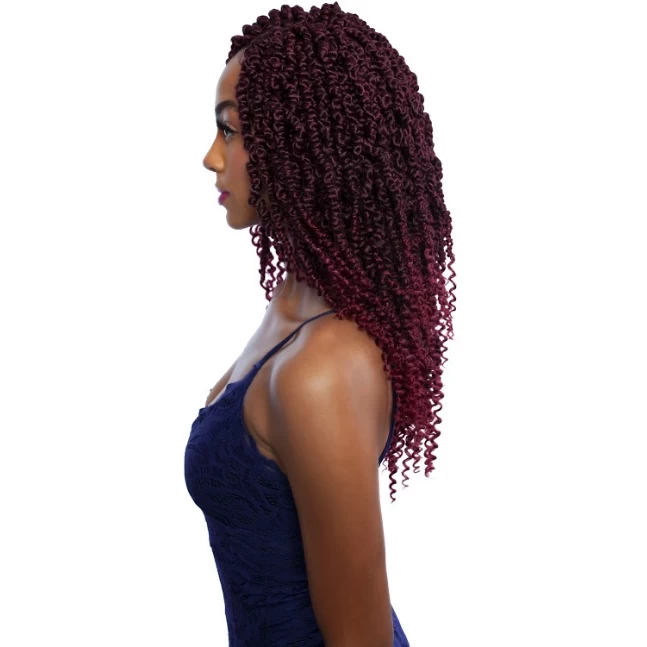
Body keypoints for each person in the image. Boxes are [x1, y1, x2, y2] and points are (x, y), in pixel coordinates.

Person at [184, 3, 456, 645]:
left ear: (302, 143)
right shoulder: (292, 308)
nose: (211, 158)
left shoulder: (323, 366)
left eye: (231, 131)